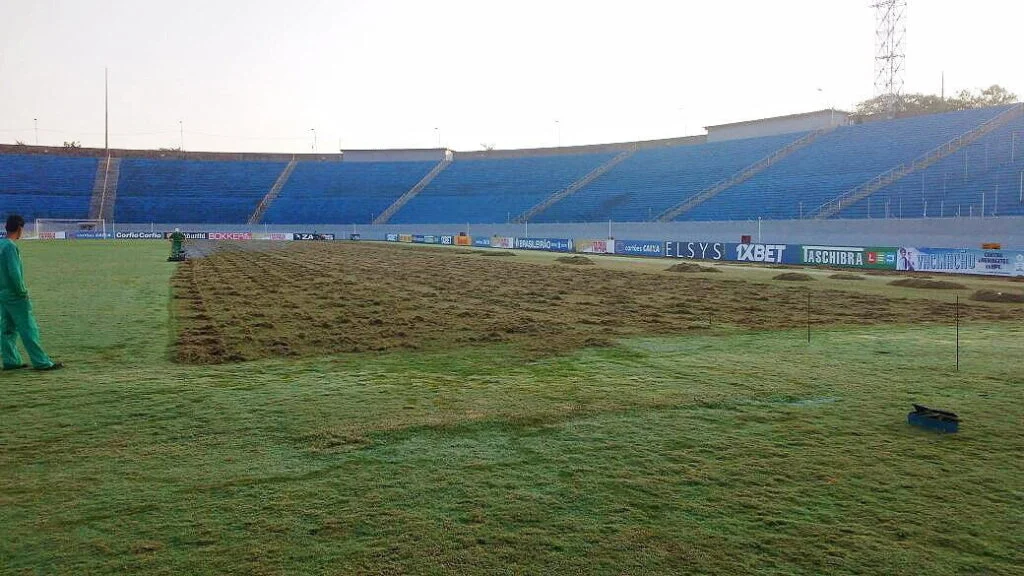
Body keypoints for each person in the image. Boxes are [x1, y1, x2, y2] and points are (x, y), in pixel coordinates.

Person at [0, 215, 62, 371]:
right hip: (15, 294)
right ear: (19, 229)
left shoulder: (1, 244)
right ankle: (41, 362)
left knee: (7, 328)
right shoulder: (10, 247)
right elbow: (14, 273)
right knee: (28, 328)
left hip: (2, 294)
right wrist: (22, 291)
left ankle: (11, 361)